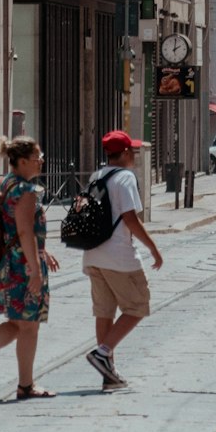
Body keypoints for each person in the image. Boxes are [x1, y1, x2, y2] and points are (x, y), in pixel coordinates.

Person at [0, 134, 59, 399]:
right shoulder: (26, 191)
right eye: (37, 157)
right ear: (24, 160)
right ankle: (25, 386)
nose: (41, 161)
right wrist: (37, 270)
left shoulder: (5, 184)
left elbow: (15, 228)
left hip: (7, 263)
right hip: (23, 267)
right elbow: (26, 232)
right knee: (29, 325)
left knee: (18, 323)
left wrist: (43, 250)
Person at [83, 129, 163, 390]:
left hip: (93, 254)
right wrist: (152, 247)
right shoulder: (125, 178)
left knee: (104, 313)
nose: (135, 156)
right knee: (138, 305)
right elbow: (130, 218)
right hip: (119, 256)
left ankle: (109, 375)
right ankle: (103, 352)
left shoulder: (97, 176)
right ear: (126, 152)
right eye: (134, 152)